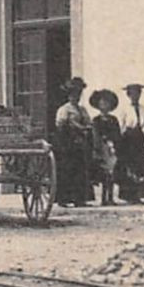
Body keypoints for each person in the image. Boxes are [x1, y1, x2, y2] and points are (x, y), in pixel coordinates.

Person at [53, 77, 93, 206]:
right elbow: (61, 126)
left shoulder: (82, 110)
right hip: (67, 144)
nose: (76, 97)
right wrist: (75, 127)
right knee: (67, 170)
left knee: (80, 171)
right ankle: (63, 199)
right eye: (74, 94)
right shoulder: (64, 109)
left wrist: (86, 128)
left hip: (80, 143)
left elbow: (89, 123)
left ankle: (79, 199)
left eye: (78, 94)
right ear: (69, 95)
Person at [117, 83, 144, 203]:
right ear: (128, 95)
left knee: (139, 166)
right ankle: (128, 195)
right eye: (132, 93)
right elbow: (121, 126)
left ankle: (138, 195)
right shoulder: (124, 109)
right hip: (128, 139)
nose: (135, 96)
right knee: (129, 166)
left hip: (140, 138)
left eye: (138, 93)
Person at [89, 88, 121, 206]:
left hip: (112, 148)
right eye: (102, 102)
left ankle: (111, 197)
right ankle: (103, 198)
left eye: (107, 102)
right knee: (103, 173)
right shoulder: (96, 120)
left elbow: (117, 133)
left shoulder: (113, 119)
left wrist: (113, 142)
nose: (104, 105)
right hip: (101, 148)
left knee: (111, 173)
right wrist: (100, 144)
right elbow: (95, 134)